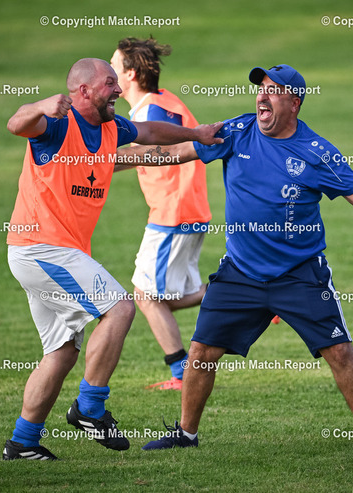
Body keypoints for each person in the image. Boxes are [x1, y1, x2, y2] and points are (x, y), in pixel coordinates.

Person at [118, 64, 353, 452]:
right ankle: (186, 434)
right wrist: (111, 160)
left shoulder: (316, 151)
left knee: (340, 351)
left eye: (274, 91)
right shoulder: (237, 131)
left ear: (294, 104)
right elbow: (176, 152)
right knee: (202, 352)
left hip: (299, 273)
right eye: (261, 89)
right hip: (240, 272)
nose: (262, 96)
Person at [2, 57, 222, 460]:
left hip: (55, 252)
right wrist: (39, 106)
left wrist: (198, 137)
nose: (119, 90)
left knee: (62, 351)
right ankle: (90, 408)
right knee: (121, 307)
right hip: (41, 247)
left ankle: (22, 442)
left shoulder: (111, 129)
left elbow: (151, 135)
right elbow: (16, 124)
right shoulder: (56, 125)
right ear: (84, 90)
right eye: (109, 83)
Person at [110, 37, 212, 391]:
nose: (108, 73)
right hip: (186, 209)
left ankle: (181, 374)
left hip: (173, 212)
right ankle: (247, 294)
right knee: (165, 296)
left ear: (131, 74)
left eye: (113, 67)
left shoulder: (152, 112)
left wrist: (91, 161)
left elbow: (153, 152)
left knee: (146, 295)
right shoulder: (163, 102)